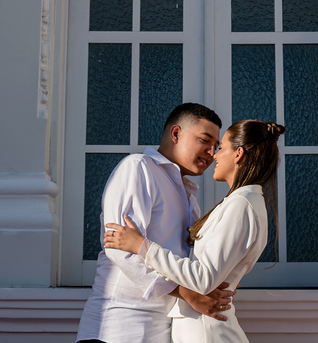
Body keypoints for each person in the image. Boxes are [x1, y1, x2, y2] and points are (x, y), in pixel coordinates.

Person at [104, 119, 286, 343]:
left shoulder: (242, 204)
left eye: (221, 148)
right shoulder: (241, 202)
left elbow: (202, 278)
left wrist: (142, 246)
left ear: (238, 154)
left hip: (206, 331)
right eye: (207, 143)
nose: (214, 156)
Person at [76, 103, 236, 343]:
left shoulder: (189, 194)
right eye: (205, 140)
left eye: (216, 146)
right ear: (176, 134)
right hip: (117, 326)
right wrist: (185, 293)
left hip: (161, 329)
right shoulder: (138, 168)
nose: (212, 152)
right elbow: (119, 249)